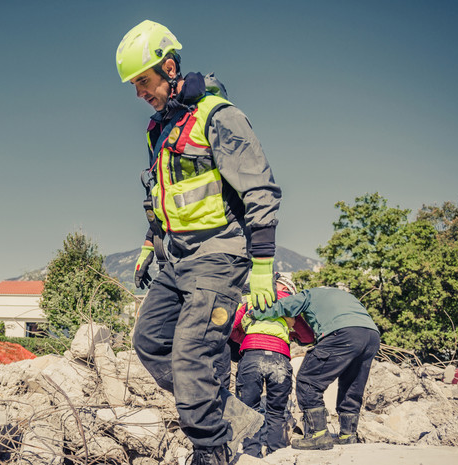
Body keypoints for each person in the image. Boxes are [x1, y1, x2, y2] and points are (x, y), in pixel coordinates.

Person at [116, 20, 282, 465]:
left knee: (191, 357)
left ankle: (212, 449)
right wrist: (151, 243)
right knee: (151, 342)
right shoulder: (160, 130)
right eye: (134, 86)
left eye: (144, 81)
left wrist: (263, 263)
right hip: (176, 259)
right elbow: (162, 194)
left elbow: (260, 190)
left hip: (219, 257)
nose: (139, 93)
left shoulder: (219, 116)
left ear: (169, 68)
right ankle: (233, 417)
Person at [249, 286, 381, 450]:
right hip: (372, 335)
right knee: (352, 384)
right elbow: (309, 336)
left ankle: (317, 435)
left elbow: (283, 306)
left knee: (308, 380)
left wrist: (255, 313)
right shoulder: (346, 297)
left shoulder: (309, 294)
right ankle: (348, 435)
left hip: (342, 333)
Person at [229, 274, 313, 457]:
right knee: (276, 411)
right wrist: (289, 335)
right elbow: (308, 337)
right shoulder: (290, 303)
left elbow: (231, 326)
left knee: (249, 410)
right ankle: (277, 455)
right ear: (288, 290)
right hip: (279, 359)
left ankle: (251, 456)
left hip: (252, 356)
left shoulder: (251, 299)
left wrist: (245, 338)